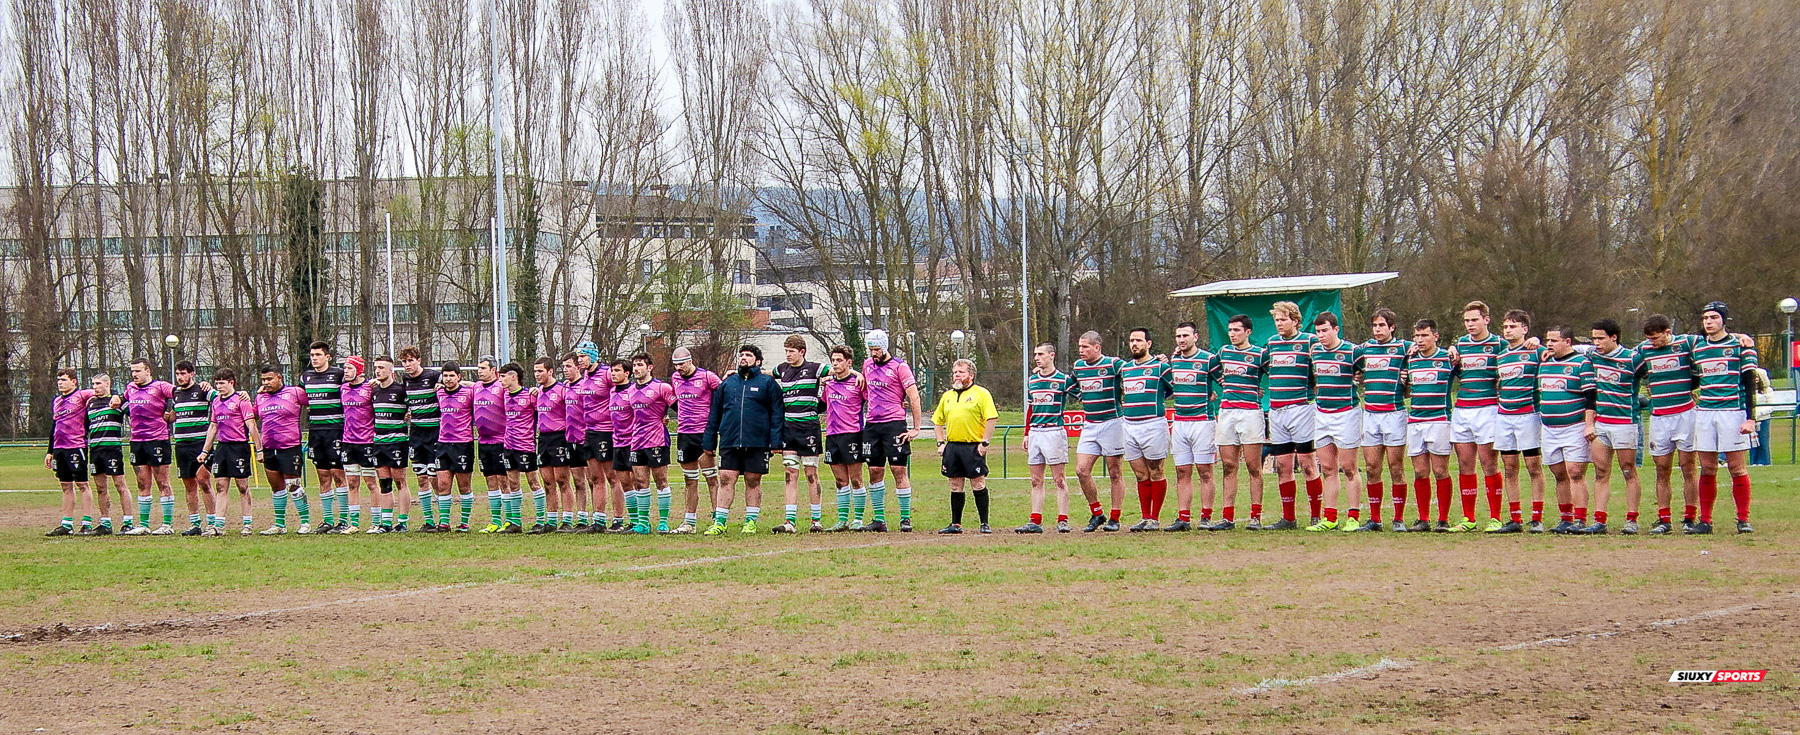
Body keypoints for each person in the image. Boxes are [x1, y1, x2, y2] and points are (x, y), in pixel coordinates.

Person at [1690, 301, 1759, 534]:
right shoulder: (1697, 346)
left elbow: (1750, 383)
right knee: (1707, 467)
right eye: (1705, 318)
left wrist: (1751, 418)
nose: (1709, 322)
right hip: (1705, 412)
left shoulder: (1741, 346)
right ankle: (1706, 521)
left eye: (1714, 318)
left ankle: (1743, 519)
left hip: (1733, 412)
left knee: (1737, 468)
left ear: (1723, 320)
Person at [702, 345, 785, 535]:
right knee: (726, 478)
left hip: (757, 442)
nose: (743, 358)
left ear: (758, 361)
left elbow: (777, 414)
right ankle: (720, 521)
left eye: (748, 355)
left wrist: (775, 442)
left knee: (752, 480)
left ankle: (750, 522)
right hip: (729, 441)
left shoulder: (768, 383)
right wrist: (709, 441)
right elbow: (714, 414)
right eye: (741, 355)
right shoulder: (728, 384)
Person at [1263, 302, 1323, 531]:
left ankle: (1316, 516)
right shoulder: (1272, 343)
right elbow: (1267, 368)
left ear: (1295, 320)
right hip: (1277, 410)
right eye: (1276, 320)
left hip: (1301, 408)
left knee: (1308, 463)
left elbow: (1322, 364)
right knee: (1283, 464)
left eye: (1283, 319)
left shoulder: (1309, 341)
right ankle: (1288, 518)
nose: (1279, 324)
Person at [1637, 315, 1699, 534]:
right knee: (1662, 468)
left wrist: (1741, 337)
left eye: (1656, 338)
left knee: (1688, 467)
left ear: (1667, 331)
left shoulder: (1685, 343)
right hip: (1660, 416)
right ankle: (1664, 519)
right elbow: (1627, 365)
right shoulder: (1644, 350)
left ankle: (1690, 517)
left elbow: (1713, 342)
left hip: (1685, 413)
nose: (1653, 343)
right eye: (1649, 339)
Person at [1449, 302, 1505, 538]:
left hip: (1488, 408)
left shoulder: (1500, 344)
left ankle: (1495, 517)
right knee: (1465, 464)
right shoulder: (1460, 345)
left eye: (1474, 320)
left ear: (1486, 320)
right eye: (1467, 321)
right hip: (1462, 409)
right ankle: (1468, 518)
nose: (1470, 325)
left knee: (1489, 463)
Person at [1352, 309, 1409, 532]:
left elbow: (1421, 355)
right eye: (1375, 325)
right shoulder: (1364, 349)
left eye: (1382, 325)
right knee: (1372, 466)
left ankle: (1399, 519)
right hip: (1371, 414)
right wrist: (1357, 376)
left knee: (1396, 467)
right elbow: (1354, 369)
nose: (1378, 329)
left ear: (1392, 327)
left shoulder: (1404, 348)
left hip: (1394, 413)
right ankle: (1374, 519)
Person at [861, 329, 924, 532]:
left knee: (898, 470)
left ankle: (905, 519)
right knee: (874, 471)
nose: (873, 353)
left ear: (885, 346)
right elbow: (864, 388)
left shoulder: (900, 367)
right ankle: (879, 520)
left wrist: (915, 428)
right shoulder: (867, 365)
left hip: (894, 424)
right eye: (871, 349)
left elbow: (914, 397)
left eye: (877, 349)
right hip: (872, 425)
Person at [1490, 309, 1546, 533]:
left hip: (1528, 415)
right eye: (1505, 327)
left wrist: (1538, 340)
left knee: (1533, 467)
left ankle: (1537, 517)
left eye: (1512, 326)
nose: (1507, 331)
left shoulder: (1536, 351)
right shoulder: (1501, 356)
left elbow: (1563, 351)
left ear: (1525, 329)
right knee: (1510, 468)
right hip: (1504, 417)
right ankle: (1515, 518)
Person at [1537, 325, 1597, 534]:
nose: (1549, 344)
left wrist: (1589, 424)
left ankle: (1580, 518)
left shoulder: (1582, 363)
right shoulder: (1544, 364)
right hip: (1549, 427)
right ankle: (1566, 517)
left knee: (1576, 472)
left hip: (1574, 426)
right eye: (1547, 341)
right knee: (1559, 473)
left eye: (1554, 340)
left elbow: (1591, 398)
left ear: (1568, 341)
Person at [1585, 320, 1641, 534]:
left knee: (1628, 471)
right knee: (1600, 472)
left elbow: (1651, 372)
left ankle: (1632, 519)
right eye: (1594, 338)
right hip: (1601, 424)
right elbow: (1566, 346)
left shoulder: (1632, 358)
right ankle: (1599, 520)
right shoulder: (1591, 355)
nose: (1596, 342)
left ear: (1614, 337)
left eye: (1601, 338)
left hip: (1625, 422)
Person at [1212, 315, 1267, 531]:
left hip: (1251, 413)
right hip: (1227, 412)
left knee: (1254, 467)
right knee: (1228, 466)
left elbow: (1276, 372)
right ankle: (1228, 517)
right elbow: (1210, 369)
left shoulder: (1259, 354)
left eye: (1237, 330)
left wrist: (1257, 391)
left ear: (1248, 332)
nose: (1233, 334)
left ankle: (1256, 516)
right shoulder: (1224, 352)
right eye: (1230, 330)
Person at [1308, 312, 1362, 531]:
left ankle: (1353, 516)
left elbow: (1366, 372)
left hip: (1347, 413)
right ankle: (1330, 518)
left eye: (1325, 331)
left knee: (1349, 467)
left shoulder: (1352, 351)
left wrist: (1358, 378)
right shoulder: (1316, 352)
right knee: (1328, 468)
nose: (1321, 335)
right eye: (1318, 331)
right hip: (1322, 413)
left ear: (1336, 329)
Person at [933, 358, 999, 533]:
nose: (957, 375)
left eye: (961, 372)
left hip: (973, 446)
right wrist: (941, 443)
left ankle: (984, 523)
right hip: (953, 447)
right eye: (955, 372)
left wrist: (985, 442)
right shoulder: (947, 396)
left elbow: (991, 418)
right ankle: (956, 524)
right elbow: (938, 421)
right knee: (955, 484)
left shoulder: (981, 394)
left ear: (971, 375)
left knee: (978, 483)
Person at [1401, 320, 1455, 532]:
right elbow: (1406, 391)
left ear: (1436, 336)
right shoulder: (1411, 359)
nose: (1420, 340)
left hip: (1439, 420)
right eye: (1417, 336)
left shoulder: (1447, 358)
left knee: (1440, 470)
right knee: (1420, 471)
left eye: (1424, 335)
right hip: (1415, 421)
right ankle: (1423, 519)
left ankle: (1443, 519)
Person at [1119, 328, 1174, 531]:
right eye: (1132, 340)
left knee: (1156, 471)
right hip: (1130, 425)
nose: (1134, 344)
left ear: (1148, 344)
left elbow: (1172, 389)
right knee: (1140, 474)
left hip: (1153, 424)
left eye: (1139, 340)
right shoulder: (1125, 368)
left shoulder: (1160, 367)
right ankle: (1144, 516)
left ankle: (1155, 518)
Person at [1071, 330, 1126, 532]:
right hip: (1090, 423)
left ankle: (1115, 517)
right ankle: (1097, 512)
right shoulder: (1078, 367)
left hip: (1112, 422)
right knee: (1081, 470)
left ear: (1097, 347)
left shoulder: (1113, 364)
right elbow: (1070, 386)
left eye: (1085, 346)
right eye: (1079, 346)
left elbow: (1133, 373)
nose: (1081, 350)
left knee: (1114, 472)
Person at [1165, 323, 1217, 532]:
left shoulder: (1208, 359)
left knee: (1205, 471)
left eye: (1185, 335)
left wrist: (1214, 395)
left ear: (1196, 336)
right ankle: (1183, 518)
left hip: (1203, 421)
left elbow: (1224, 381)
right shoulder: (1174, 361)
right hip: (1180, 422)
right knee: (1182, 470)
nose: (1181, 339)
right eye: (1178, 336)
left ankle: (1206, 516)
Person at [1019, 342, 1076, 533]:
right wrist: (1026, 433)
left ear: (1052, 356)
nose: (1036, 357)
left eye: (1041, 354)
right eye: (1035, 354)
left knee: (1059, 479)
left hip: (1054, 431)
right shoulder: (1032, 381)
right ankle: (1035, 520)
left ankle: (1063, 519)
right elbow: (1031, 409)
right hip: (1036, 432)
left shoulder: (1063, 379)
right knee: (1036, 479)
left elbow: (1080, 392)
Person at [774, 335, 826, 533]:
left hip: (809, 428)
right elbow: (765, 374)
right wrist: (740, 372)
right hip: (788, 429)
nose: (788, 354)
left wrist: (857, 373)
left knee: (811, 473)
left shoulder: (815, 368)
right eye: (786, 350)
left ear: (801, 352)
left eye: (791, 351)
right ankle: (790, 521)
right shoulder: (782, 369)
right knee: (790, 474)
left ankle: (816, 520)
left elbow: (840, 370)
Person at [197, 369, 258, 535]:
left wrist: (259, 450)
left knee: (242, 486)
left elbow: (251, 425)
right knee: (221, 486)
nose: (219, 386)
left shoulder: (241, 400)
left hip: (239, 447)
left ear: (232, 383)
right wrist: (205, 451)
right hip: (222, 448)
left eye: (222, 383)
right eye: (217, 383)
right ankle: (219, 525)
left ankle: (247, 524)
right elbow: (213, 426)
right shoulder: (216, 401)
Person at [119, 359, 176, 535]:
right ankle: (143, 524)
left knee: (162, 481)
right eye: (132, 371)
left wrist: (174, 412)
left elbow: (181, 394)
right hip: (137, 441)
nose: (134, 374)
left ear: (148, 371)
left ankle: (167, 525)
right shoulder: (130, 388)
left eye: (138, 371)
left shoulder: (160, 386)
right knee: (142, 482)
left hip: (158, 439)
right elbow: (121, 402)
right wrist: (118, 400)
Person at [669, 347, 722, 534]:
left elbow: (723, 394)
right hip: (684, 434)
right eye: (676, 365)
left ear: (690, 361)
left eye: (682, 364)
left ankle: (718, 519)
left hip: (703, 433)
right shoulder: (675, 379)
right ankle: (689, 522)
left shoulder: (708, 377)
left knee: (711, 477)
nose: (679, 368)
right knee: (690, 479)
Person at [254, 365, 312, 534]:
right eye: (263, 380)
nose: (266, 383)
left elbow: (313, 402)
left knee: (293, 484)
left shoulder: (294, 392)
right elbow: (253, 416)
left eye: (269, 379)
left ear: (279, 377)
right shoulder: (261, 398)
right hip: (269, 448)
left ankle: (305, 523)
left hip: (290, 447)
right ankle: (280, 525)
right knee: (276, 487)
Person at [300, 342, 349, 533]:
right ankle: (328, 520)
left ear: (327, 357)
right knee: (323, 477)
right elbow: (297, 396)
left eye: (318, 355)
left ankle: (343, 519)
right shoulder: (305, 377)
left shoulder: (339, 375)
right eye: (312, 355)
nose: (314, 358)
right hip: (316, 431)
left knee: (339, 475)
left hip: (335, 430)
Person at [820, 345, 869, 531]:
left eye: (839, 360)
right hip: (832, 435)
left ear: (849, 362)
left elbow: (872, 399)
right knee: (840, 480)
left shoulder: (858, 382)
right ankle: (842, 520)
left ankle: (858, 519)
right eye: (833, 360)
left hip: (853, 434)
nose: (835, 364)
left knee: (856, 479)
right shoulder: (829, 384)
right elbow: (822, 404)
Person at [629, 353, 677, 533]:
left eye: (640, 365)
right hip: (637, 441)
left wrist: (666, 418)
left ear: (650, 367)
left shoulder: (661, 387)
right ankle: (643, 523)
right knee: (640, 481)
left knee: (661, 480)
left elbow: (678, 408)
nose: (636, 368)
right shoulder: (631, 390)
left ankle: (663, 522)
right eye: (634, 365)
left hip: (657, 439)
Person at [45, 369, 95, 536]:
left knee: (82, 484)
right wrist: (50, 451)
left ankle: (87, 523)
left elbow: (101, 391)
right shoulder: (57, 401)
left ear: (74, 381)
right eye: (58, 379)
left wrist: (115, 396)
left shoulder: (81, 395)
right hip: (60, 448)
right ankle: (66, 524)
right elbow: (54, 426)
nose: (60, 382)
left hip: (76, 446)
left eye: (64, 379)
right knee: (66, 485)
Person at [170, 361, 215, 536]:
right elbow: (172, 416)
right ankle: (195, 523)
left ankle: (212, 522)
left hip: (200, 444)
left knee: (203, 481)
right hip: (182, 445)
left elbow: (223, 398)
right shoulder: (176, 393)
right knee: (189, 485)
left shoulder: (203, 390)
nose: (180, 377)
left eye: (183, 373)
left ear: (192, 374)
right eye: (178, 374)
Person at [399, 347, 441, 530]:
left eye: (410, 361)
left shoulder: (433, 376)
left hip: (435, 433)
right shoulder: (406, 380)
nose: (407, 365)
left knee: (435, 478)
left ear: (419, 360)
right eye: (404, 362)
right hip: (416, 433)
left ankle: (444, 519)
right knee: (421, 477)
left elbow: (452, 389)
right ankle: (428, 521)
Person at [531, 357, 574, 533]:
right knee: (548, 482)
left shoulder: (562, 390)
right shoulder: (538, 392)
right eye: (535, 371)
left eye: (540, 371)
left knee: (562, 480)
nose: (537, 374)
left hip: (559, 437)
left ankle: (567, 519)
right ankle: (551, 520)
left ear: (550, 371)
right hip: (543, 439)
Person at [369, 357, 411, 532]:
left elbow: (412, 409)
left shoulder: (401, 390)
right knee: (384, 482)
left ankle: (402, 522)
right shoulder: (374, 392)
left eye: (381, 368)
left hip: (397, 442)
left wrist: (409, 415)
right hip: (379, 441)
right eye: (376, 368)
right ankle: (386, 523)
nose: (378, 371)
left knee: (400, 480)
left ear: (391, 371)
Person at [434, 362, 477, 533]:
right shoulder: (439, 392)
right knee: (443, 484)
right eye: (445, 376)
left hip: (463, 444)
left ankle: (464, 523)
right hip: (443, 443)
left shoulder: (468, 392)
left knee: (464, 485)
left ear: (459, 376)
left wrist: (467, 383)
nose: (448, 379)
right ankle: (444, 523)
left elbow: (481, 387)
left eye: (452, 375)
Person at [473, 357, 515, 533]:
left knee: (504, 481)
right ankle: (495, 521)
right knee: (490, 481)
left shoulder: (501, 388)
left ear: (494, 370)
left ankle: (511, 520)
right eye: (479, 368)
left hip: (500, 441)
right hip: (483, 442)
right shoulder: (475, 387)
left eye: (483, 368)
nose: (480, 371)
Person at [336, 356, 376, 534]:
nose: (346, 371)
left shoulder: (369, 388)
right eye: (344, 368)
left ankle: (376, 522)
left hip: (367, 441)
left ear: (359, 370)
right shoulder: (343, 388)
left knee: (371, 482)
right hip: (348, 441)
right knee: (352, 482)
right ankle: (354, 524)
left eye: (349, 368)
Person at [86, 373, 129, 535]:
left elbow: (133, 414)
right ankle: (105, 523)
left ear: (107, 384)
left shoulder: (116, 402)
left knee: (120, 485)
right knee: (100, 487)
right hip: (95, 449)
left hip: (112, 449)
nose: (95, 387)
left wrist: (120, 399)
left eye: (98, 383)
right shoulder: (90, 403)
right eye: (93, 384)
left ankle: (128, 522)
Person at [499, 362, 538, 533]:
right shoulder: (505, 395)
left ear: (513, 377)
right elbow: (478, 386)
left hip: (526, 445)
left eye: (503, 376)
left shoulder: (530, 395)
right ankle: (516, 522)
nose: (500, 380)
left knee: (533, 482)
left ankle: (541, 520)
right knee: (513, 483)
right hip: (509, 445)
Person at [605, 358, 641, 532]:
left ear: (627, 373)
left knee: (637, 481)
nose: (613, 374)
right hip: (617, 442)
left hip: (633, 442)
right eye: (612, 370)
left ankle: (642, 520)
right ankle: (633, 521)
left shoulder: (634, 390)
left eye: (617, 370)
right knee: (625, 483)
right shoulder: (612, 391)